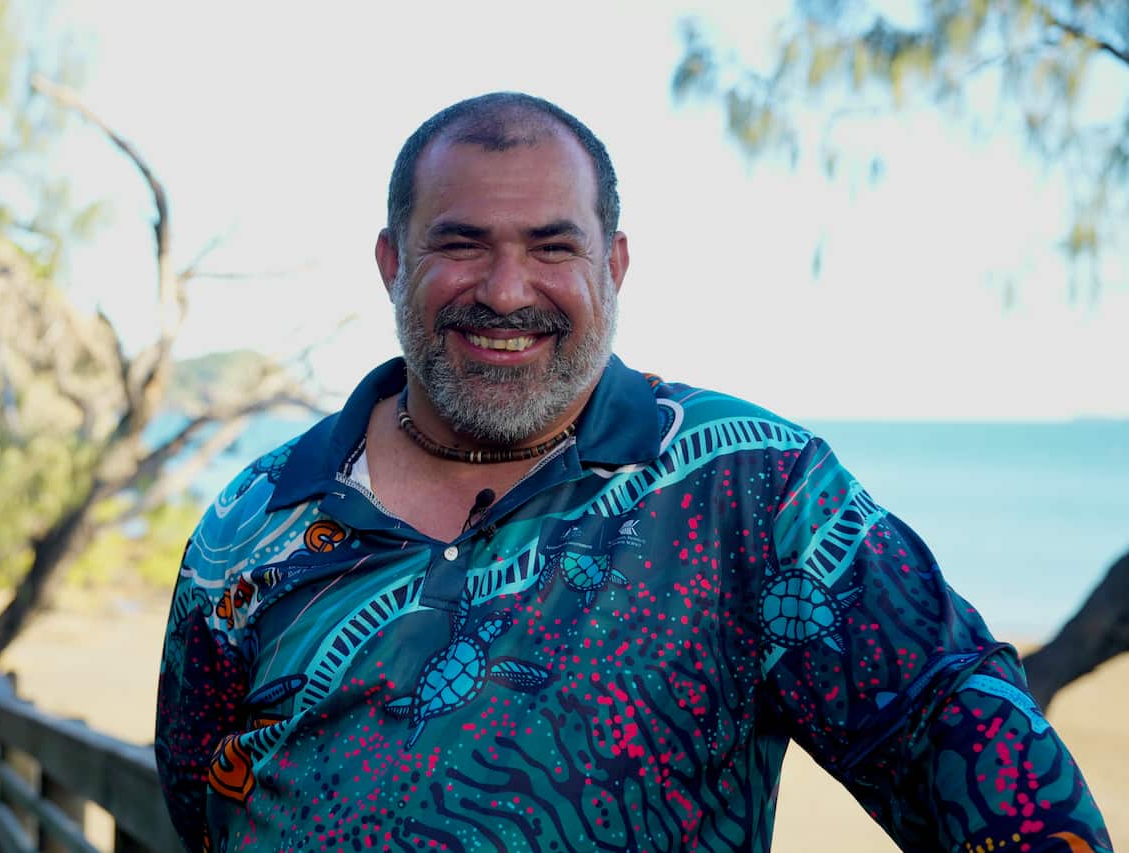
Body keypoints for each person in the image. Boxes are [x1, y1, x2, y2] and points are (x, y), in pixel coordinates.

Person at [155, 93, 1111, 853]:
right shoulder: (252, 521)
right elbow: (199, 800)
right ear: (391, 262)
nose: (505, 288)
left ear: (613, 265)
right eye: (461, 243)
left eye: (552, 245)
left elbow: (951, 722)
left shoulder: (752, 488)